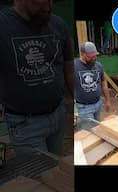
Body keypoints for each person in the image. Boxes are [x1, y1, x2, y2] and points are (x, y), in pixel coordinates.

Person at [0, 0, 74, 157]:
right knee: (40, 178)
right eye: (41, 2)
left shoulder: (58, 24)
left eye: (51, 1)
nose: (48, 7)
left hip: (58, 114)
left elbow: (68, 69)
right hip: (25, 124)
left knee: (58, 168)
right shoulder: (3, 25)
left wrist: (78, 102)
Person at [74, 41, 111, 126]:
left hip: (98, 103)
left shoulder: (98, 65)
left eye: (95, 56)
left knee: (98, 128)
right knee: (89, 132)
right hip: (84, 107)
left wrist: (108, 100)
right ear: (82, 54)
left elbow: (103, 83)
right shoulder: (74, 66)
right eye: (90, 57)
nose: (94, 58)